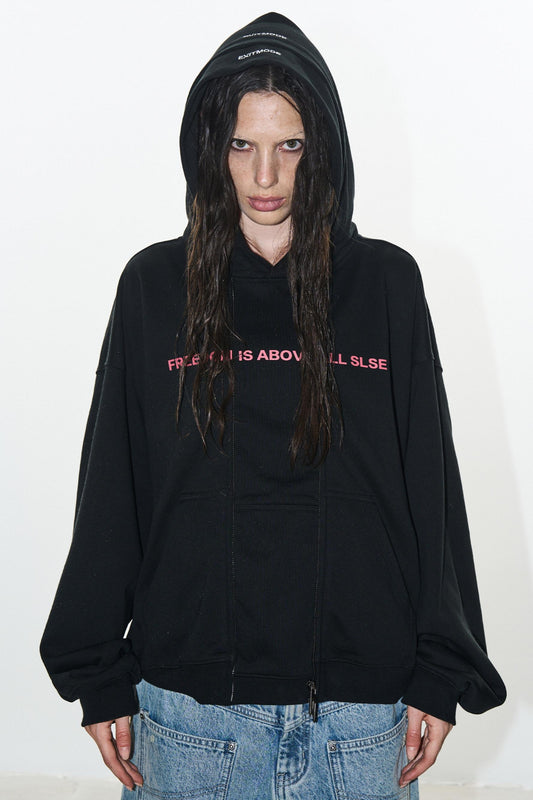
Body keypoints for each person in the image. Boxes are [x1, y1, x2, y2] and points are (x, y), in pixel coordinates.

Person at [40, 12, 506, 799]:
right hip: (188, 720)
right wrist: (96, 672)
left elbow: (428, 485)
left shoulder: (385, 284)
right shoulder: (154, 287)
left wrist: (441, 668)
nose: (264, 176)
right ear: (209, 149)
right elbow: (114, 485)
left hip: (360, 722)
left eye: (289, 145)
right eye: (241, 145)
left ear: (322, 149)